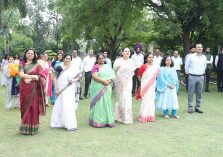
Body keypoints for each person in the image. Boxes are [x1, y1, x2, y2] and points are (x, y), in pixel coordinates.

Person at [19, 49, 46, 135]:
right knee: (24, 105)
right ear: (25, 54)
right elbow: (21, 74)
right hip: (24, 88)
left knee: (33, 107)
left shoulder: (37, 65)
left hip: (34, 88)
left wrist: (32, 77)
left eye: (32, 53)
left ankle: (32, 128)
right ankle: (24, 127)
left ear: (34, 55)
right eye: (28, 53)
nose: (30, 54)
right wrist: (33, 76)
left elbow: (41, 77)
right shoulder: (22, 63)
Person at [51, 54, 81, 131]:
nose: (68, 60)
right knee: (60, 104)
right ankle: (58, 123)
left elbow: (79, 76)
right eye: (66, 58)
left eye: (69, 59)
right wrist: (56, 89)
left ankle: (70, 124)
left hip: (70, 89)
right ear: (63, 59)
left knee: (68, 105)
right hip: (61, 89)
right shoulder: (59, 67)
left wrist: (73, 80)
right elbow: (54, 78)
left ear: (71, 60)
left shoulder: (73, 68)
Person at [89, 53, 116, 128]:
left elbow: (112, 76)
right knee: (99, 103)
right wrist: (103, 81)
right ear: (97, 60)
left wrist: (109, 81)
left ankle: (107, 120)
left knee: (106, 102)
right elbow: (95, 77)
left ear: (105, 59)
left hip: (107, 87)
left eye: (102, 58)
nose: (101, 60)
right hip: (98, 87)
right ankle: (98, 121)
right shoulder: (96, 67)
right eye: (99, 58)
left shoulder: (108, 67)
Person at [113, 48, 136, 124]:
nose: (127, 52)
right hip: (119, 82)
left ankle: (126, 118)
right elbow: (114, 71)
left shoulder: (132, 62)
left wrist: (126, 78)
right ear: (122, 52)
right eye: (125, 51)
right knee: (120, 98)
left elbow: (132, 72)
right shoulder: (118, 61)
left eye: (128, 51)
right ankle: (117, 117)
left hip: (128, 82)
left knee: (127, 98)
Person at [136, 53, 160, 122]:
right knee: (145, 100)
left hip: (152, 85)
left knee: (151, 100)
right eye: (149, 57)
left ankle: (150, 116)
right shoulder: (143, 66)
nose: (151, 59)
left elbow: (156, 77)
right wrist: (144, 83)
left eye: (152, 57)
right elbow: (139, 76)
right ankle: (143, 116)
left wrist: (151, 83)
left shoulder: (156, 67)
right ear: (146, 58)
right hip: (145, 86)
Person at [185, 43, 207, 113]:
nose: (200, 48)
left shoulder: (204, 57)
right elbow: (186, 66)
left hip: (201, 77)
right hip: (192, 76)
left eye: (201, 47)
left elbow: (205, 66)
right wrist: (188, 74)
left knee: (199, 93)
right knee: (190, 92)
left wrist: (202, 73)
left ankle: (198, 107)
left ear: (202, 48)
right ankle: (190, 107)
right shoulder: (190, 57)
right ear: (195, 48)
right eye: (198, 47)